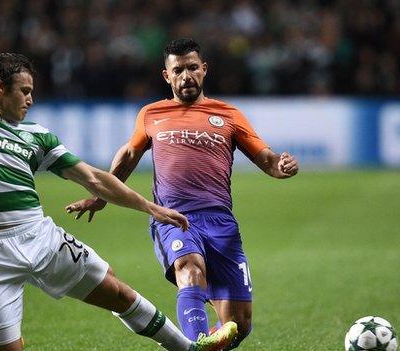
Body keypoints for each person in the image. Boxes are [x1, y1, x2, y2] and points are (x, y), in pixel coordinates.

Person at [0, 2, 239, 350]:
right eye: (24, 92)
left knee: (120, 295)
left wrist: (149, 208)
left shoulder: (36, 135)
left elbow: (93, 178)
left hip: (39, 237)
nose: (30, 100)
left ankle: (189, 347)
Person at [67, 38, 299, 350]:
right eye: (178, 70)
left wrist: (281, 166)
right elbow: (127, 157)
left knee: (238, 324)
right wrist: (101, 196)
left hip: (220, 221)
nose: (186, 75)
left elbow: (267, 159)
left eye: (192, 68)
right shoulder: (152, 114)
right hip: (172, 216)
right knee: (189, 268)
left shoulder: (228, 114)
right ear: (167, 76)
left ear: (204, 70)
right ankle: (195, 344)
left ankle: (208, 341)